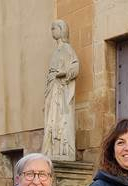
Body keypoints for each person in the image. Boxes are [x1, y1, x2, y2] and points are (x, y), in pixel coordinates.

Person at [42, 19, 79, 161]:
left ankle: (62, 150)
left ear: (61, 30)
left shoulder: (67, 49)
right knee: (51, 118)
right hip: (52, 88)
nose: (52, 30)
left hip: (60, 89)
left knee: (60, 118)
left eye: (54, 28)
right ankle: (52, 148)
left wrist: (61, 74)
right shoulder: (56, 51)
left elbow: (75, 68)